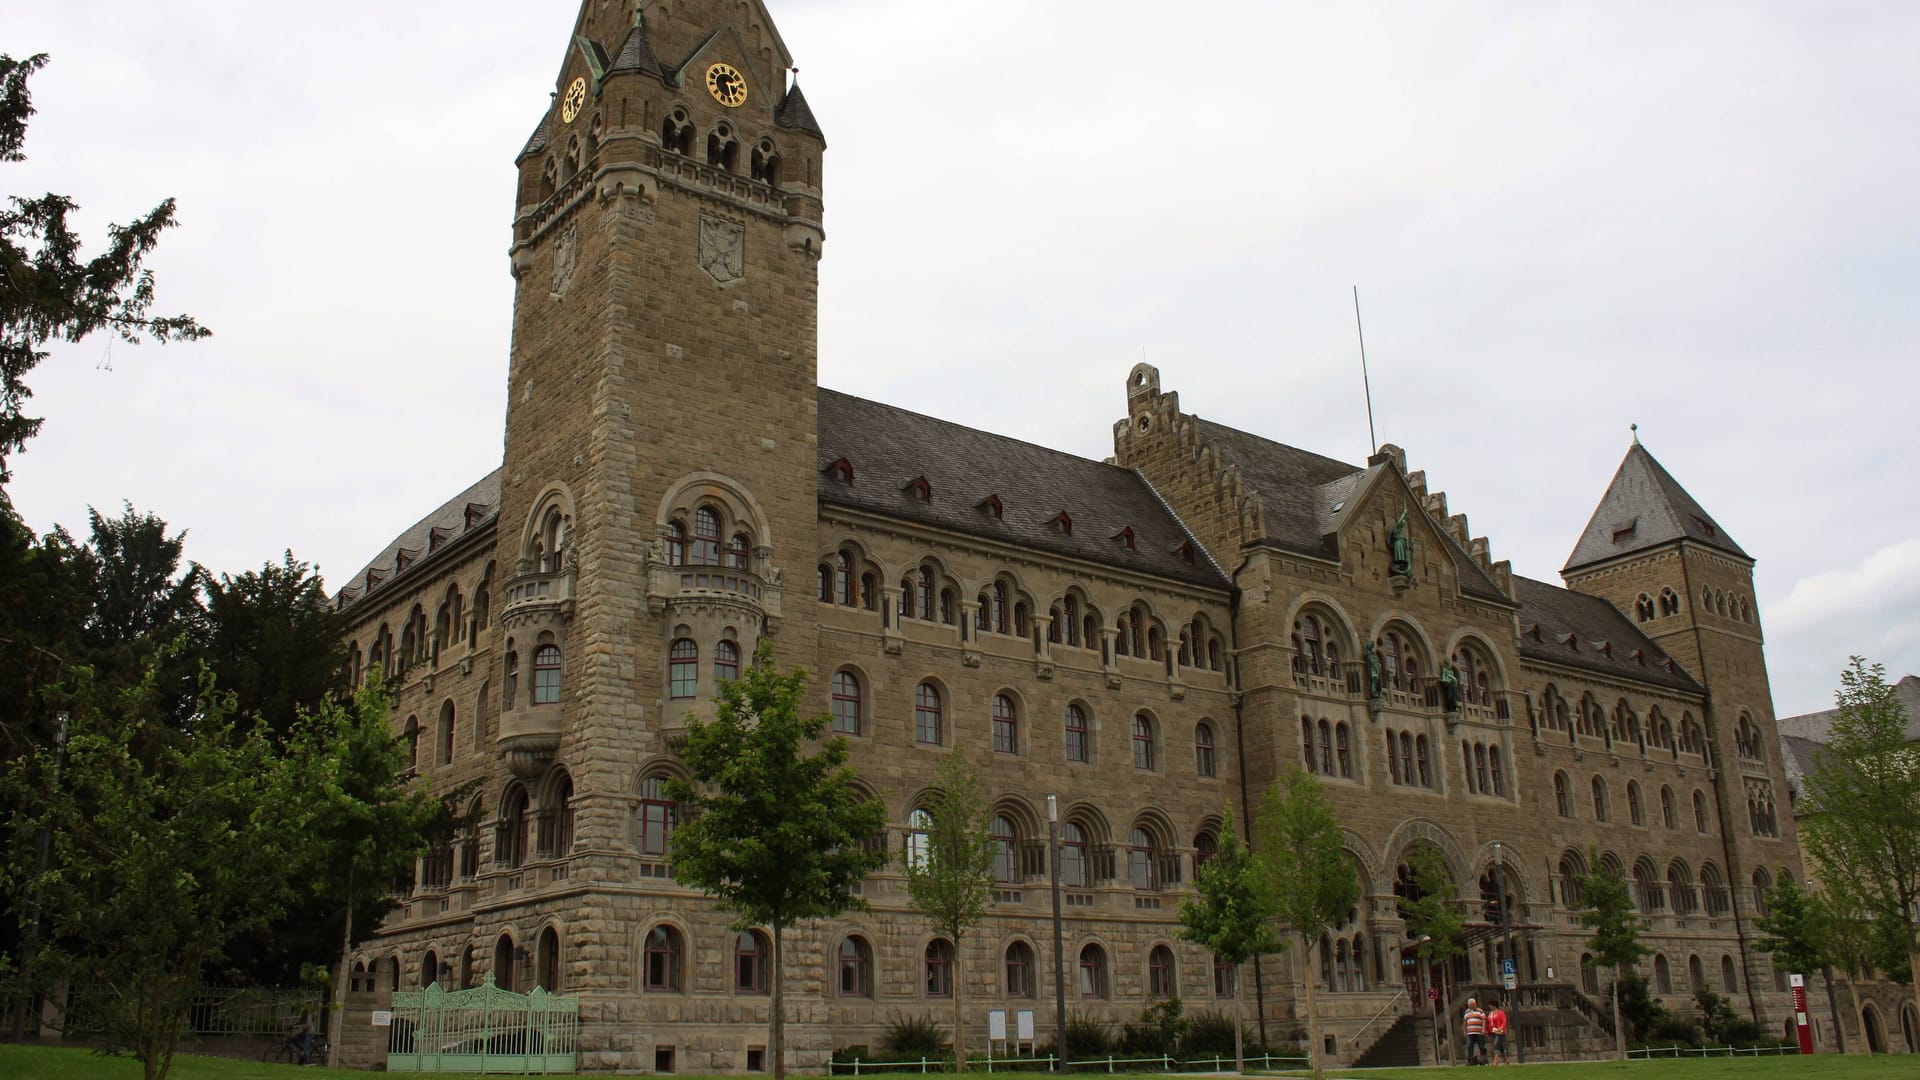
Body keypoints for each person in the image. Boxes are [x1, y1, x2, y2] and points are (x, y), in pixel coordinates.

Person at [1461, 997, 1486, 1065]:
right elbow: (1465, 1022)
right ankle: (1470, 1061)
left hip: (1479, 1032)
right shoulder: (1467, 1012)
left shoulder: (1480, 1011)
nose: (1473, 1006)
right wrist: (1464, 1031)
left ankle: (1483, 1060)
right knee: (1469, 1046)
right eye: (1471, 1005)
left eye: (1473, 1004)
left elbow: (1484, 1020)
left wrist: (1483, 1029)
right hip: (1470, 1033)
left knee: (1481, 1046)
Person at [1486, 1000, 1509, 1065]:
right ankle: (1506, 1060)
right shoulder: (1490, 1013)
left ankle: (1495, 1061)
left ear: (1494, 1005)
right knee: (1501, 1046)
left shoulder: (1500, 1013)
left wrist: (1500, 1028)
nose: (1489, 1006)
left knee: (1496, 1045)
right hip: (1493, 1031)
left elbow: (1504, 1022)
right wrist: (1488, 1031)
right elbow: (1488, 1022)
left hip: (1499, 1032)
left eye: (1490, 1005)